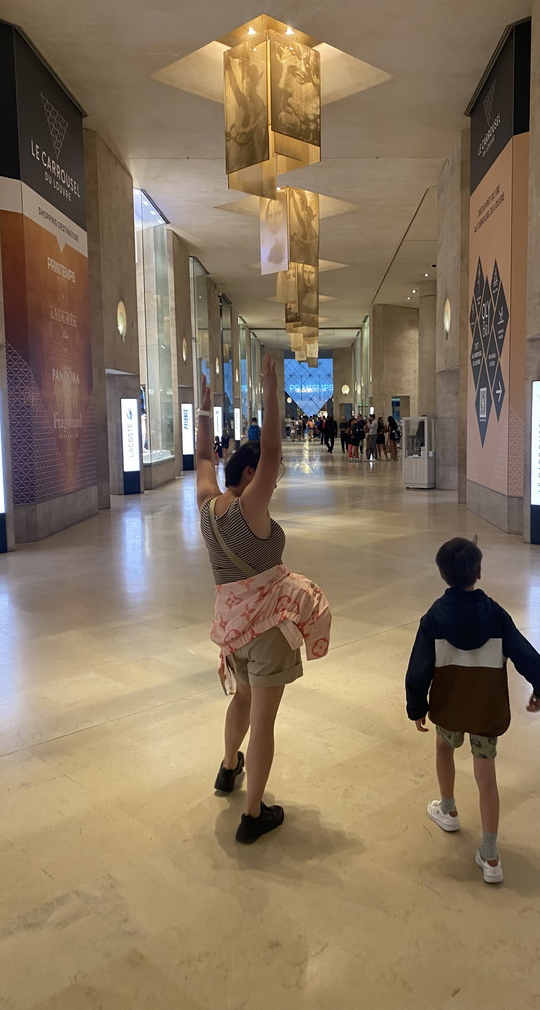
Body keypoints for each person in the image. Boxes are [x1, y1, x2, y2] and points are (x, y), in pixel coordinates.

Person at [196, 356, 331, 844]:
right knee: (263, 720)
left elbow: (203, 461)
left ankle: (227, 766)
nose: (271, 483)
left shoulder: (207, 503)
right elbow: (273, 450)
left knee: (243, 699)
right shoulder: (250, 509)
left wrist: (206, 414)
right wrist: (273, 390)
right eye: (264, 477)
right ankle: (253, 814)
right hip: (268, 630)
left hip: (231, 627)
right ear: (249, 473)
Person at [405, 536, 540, 884]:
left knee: (444, 748)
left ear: (443, 575)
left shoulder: (433, 617)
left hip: (449, 707)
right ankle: (490, 856)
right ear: (479, 572)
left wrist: (417, 705)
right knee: (486, 776)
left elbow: (418, 668)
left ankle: (448, 809)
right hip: (486, 710)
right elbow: (525, 654)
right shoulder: (496, 616)